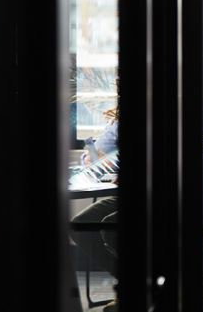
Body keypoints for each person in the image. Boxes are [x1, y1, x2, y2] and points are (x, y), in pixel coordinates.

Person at [71, 110, 119, 312]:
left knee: (110, 226)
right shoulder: (116, 123)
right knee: (80, 225)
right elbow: (96, 157)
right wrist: (90, 158)